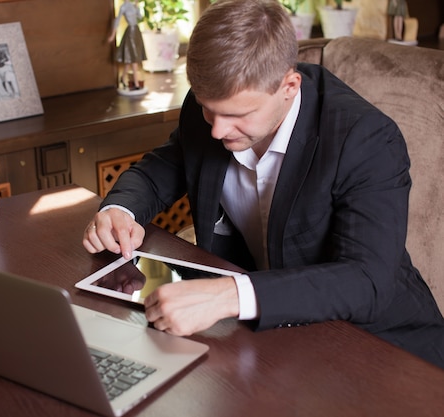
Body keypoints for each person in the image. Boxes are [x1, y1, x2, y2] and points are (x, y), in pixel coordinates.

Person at [83, 0, 444, 369]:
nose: (218, 130)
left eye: (238, 115)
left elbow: (366, 281)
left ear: (289, 86)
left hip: (385, 347)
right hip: (275, 341)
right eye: (210, 109)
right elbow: (158, 169)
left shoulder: (366, 139)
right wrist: (119, 210)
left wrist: (229, 296)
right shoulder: (206, 109)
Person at [108, 0, 147, 92]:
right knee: (134, 59)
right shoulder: (123, 7)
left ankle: (123, 77)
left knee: (130, 59)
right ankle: (136, 84)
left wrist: (137, 8)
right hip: (130, 32)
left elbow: (140, 17)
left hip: (136, 31)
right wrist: (112, 35)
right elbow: (117, 20)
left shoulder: (133, 5)